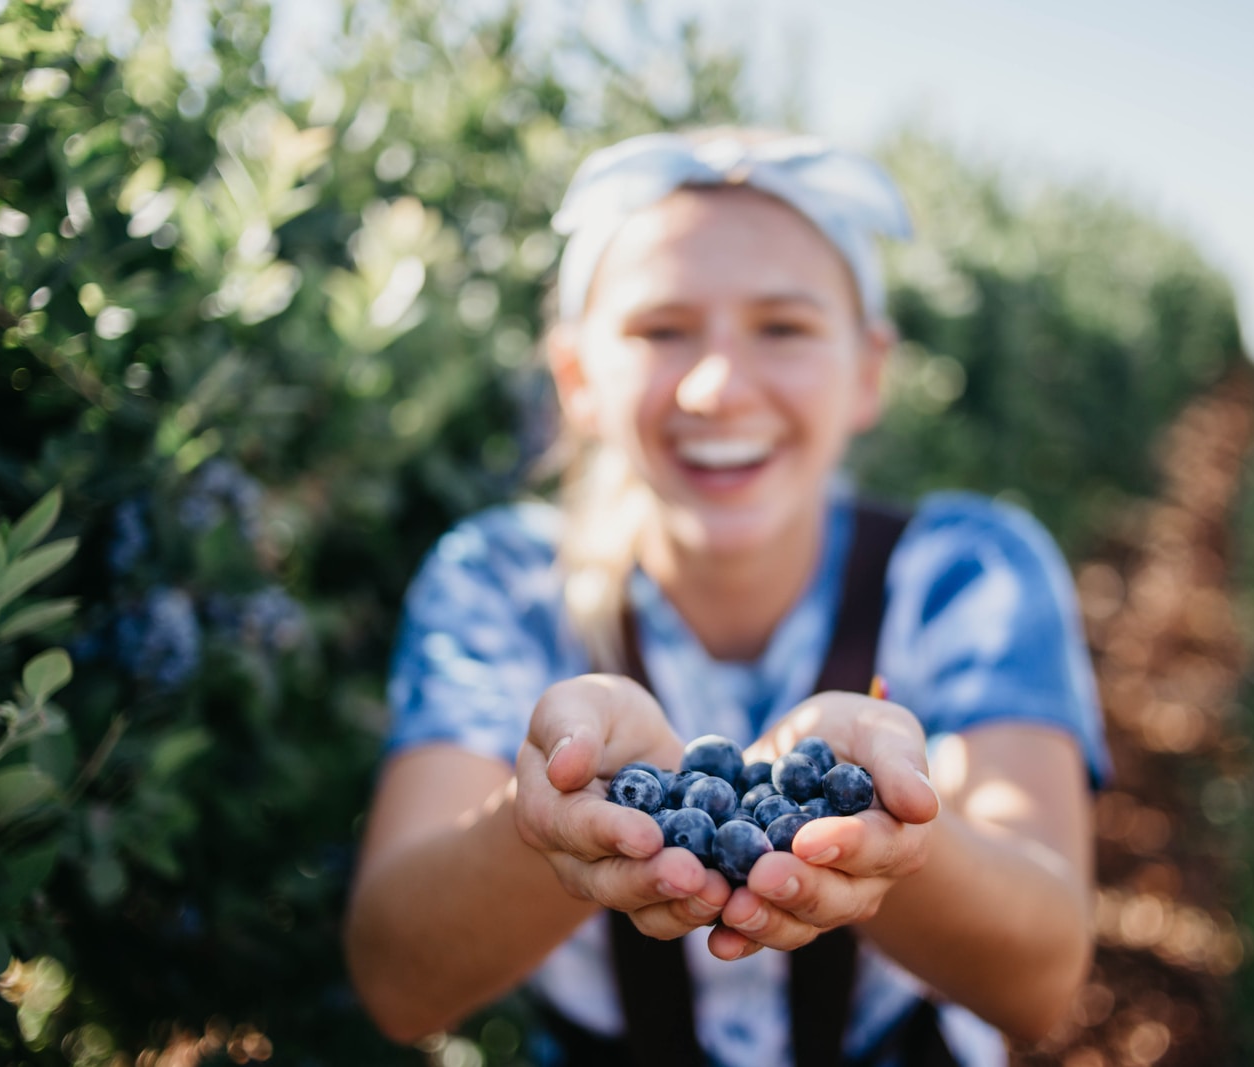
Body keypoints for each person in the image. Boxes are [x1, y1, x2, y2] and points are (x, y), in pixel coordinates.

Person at [344, 129, 1111, 1067]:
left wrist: (890, 839)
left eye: (783, 328)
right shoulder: (499, 585)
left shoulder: (967, 575)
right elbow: (395, 980)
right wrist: (544, 821)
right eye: (662, 330)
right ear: (577, 377)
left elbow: (1041, 982)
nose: (717, 385)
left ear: (868, 370)